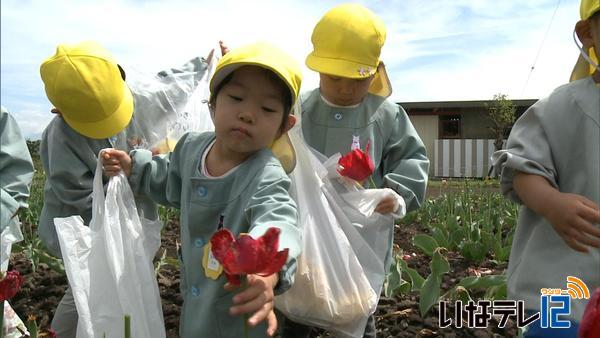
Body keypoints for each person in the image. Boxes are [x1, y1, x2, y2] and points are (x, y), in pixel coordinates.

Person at [101, 41, 302, 338]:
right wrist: (136, 167)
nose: (248, 114)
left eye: (267, 108)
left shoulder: (265, 175)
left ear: (284, 127)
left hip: (241, 309)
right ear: (212, 105)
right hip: (196, 300)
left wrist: (265, 267)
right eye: (236, 98)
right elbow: (168, 177)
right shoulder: (192, 148)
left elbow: (280, 218)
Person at [38, 40, 220, 338]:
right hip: (86, 226)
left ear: (122, 81)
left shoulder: (139, 101)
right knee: (88, 285)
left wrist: (203, 64)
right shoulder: (60, 138)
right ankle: (61, 333)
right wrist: (118, 183)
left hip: (132, 223)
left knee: (126, 280)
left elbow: (169, 87)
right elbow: (76, 195)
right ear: (58, 111)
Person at [282, 4, 429, 337]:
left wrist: (397, 193)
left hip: (360, 232)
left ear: (375, 71)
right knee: (298, 299)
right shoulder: (299, 111)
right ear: (319, 69)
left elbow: (411, 158)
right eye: (335, 78)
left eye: (357, 79)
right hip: (306, 228)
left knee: (355, 308)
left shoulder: (386, 115)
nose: (345, 89)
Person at [492, 0, 600, 336]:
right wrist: (552, 204)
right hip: (564, 278)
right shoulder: (560, 107)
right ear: (588, 34)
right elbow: (521, 168)